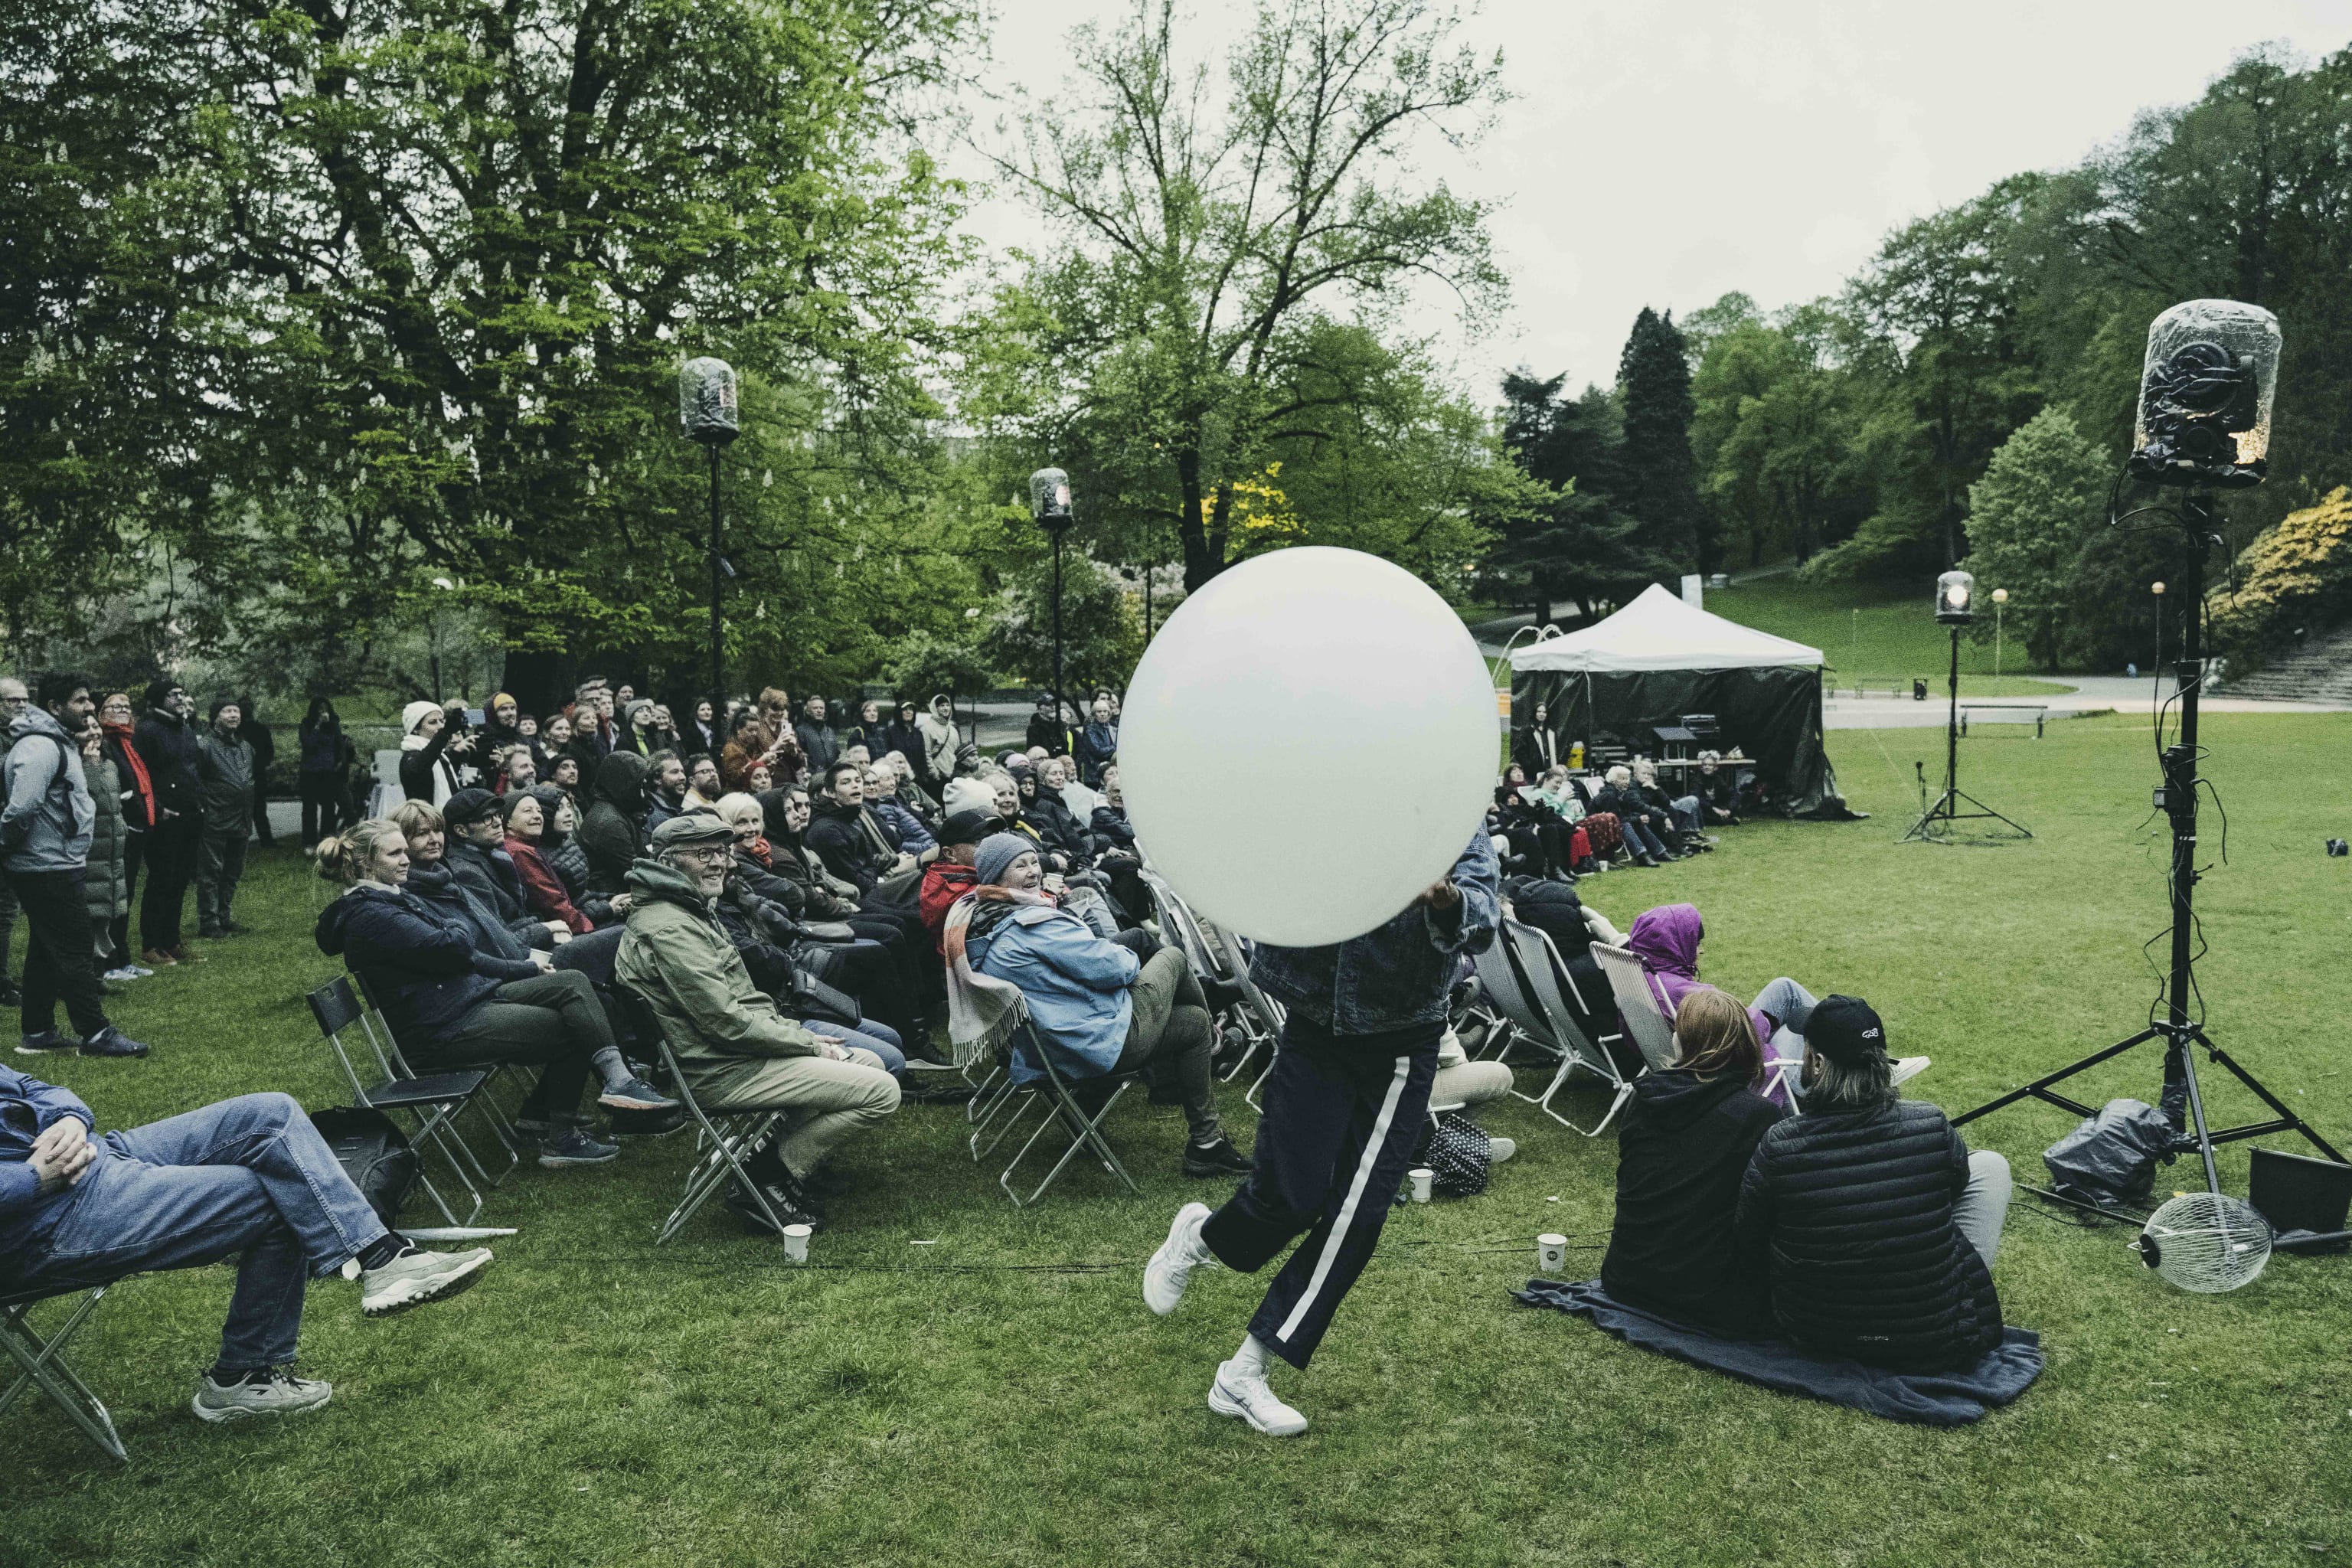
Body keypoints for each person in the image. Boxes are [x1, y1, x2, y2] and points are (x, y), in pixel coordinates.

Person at [1142, 830, 1499, 1437]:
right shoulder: (1322, 789)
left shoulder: (1448, 808)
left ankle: (1245, 1372)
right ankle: (1200, 1237)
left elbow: (1483, 917)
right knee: (1289, 1198)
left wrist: (1446, 902)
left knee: (1357, 1217)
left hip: (1406, 1036)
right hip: (1317, 1023)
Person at [0, 1063, 495, 1421]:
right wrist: (32, 1179)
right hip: (41, 1222)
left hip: (91, 1156)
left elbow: (29, 1086)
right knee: (279, 1191)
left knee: (271, 1115)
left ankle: (381, 1260)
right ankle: (245, 1376)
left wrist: (68, 1117)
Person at [314, 818, 669, 1165]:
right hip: (440, 1031)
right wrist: (456, 922)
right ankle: (560, 1138)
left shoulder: (390, 899)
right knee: (573, 1025)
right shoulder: (371, 914)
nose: (406, 860)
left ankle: (615, 1082)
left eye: (404, 852)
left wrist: (525, 968)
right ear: (365, 863)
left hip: (463, 1002)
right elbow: (455, 944)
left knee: (572, 981)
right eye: (394, 854)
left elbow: (461, 954)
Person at [616, 813, 903, 1230]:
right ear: (668, 863)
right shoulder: (671, 927)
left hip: (731, 1056)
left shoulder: (686, 909)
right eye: (703, 854)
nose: (719, 862)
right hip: (721, 1069)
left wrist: (797, 1035)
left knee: (872, 1064)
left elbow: (741, 1004)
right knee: (882, 1091)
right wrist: (806, 1043)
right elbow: (726, 1022)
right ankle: (764, 1178)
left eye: (721, 851)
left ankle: (777, 1168)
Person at [1736, 995, 2011, 1370]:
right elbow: (1955, 1186)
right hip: (1935, 1333)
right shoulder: (1929, 1123)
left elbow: (1749, 1238)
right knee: (1991, 1165)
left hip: (1816, 1331)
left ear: (1816, 1063)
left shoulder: (1781, 1143)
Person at [955, 835, 1246, 1177]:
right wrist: (1114, 955)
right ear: (995, 876)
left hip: (1054, 1046)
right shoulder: (1029, 926)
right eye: (1019, 866)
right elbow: (1113, 969)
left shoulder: (980, 919)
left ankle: (1207, 1143)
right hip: (1092, 1044)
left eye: (1034, 861)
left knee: (1192, 1021)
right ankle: (1214, 1044)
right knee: (1172, 957)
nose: (1033, 871)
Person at [1600, 987, 1784, 1334]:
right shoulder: (1756, 1116)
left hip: (1626, 1276)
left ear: (1683, 1043)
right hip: (1706, 1299)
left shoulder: (1644, 1098)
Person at [4, 674, 149, 1057]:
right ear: (54, 707)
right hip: (45, 866)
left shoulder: (58, 742)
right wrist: (7, 846)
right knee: (75, 947)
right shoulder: (40, 747)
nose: (89, 708)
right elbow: (20, 809)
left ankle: (38, 1032)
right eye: (80, 701)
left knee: (45, 946)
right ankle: (96, 1032)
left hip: (54, 862)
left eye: (89, 700)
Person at [1623, 903, 1819, 1108]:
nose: (1700, 951)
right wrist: (1765, 1021)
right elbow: (1750, 1028)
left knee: (1784, 988)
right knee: (1805, 1016)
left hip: (1716, 1058)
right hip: (1756, 1075)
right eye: (1695, 943)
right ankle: (1844, 1065)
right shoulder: (1683, 994)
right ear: (1673, 945)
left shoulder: (1639, 978)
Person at [133, 679, 204, 966]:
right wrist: (159, 809)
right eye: (173, 694)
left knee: (180, 879)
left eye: (182, 693)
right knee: (161, 878)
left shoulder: (186, 729)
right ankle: (151, 944)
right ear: (158, 699)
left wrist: (200, 802)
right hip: (164, 817)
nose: (180, 698)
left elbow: (192, 769)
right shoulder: (147, 731)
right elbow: (142, 775)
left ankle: (172, 941)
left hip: (190, 814)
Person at [96, 694, 156, 980]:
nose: (122, 710)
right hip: (118, 830)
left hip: (134, 830)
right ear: (100, 713)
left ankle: (123, 959)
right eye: (114, 706)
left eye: (126, 707)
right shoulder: (104, 744)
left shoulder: (127, 743)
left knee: (125, 897)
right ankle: (109, 964)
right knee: (110, 900)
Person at [75, 716, 136, 984]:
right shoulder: (73, 765)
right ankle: (86, 976)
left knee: (105, 915)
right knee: (88, 916)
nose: (94, 733)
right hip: (89, 852)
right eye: (86, 728)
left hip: (111, 854)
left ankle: (98, 973)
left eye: (96, 726)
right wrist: (88, 767)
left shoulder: (110, 765)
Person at [805, 761, 918, 897]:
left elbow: (869, 864)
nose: (855, 785)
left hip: (874, 883)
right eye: (846, 782)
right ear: (831, 792)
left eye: (858, 780)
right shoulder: (828, 830)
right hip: (865, 895)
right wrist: (878, 878)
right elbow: (852, 878)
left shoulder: (850, 819)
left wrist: (873, 873)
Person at [194, 698, 256, 939]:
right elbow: (197, 781)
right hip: (215, 819)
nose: (233, 715)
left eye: (236, 711)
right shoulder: (204, 746)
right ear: (215, 716)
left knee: (232, 872)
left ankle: (224, 917)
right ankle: (209, 922)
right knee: (211, 873)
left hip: (241, 819)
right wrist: (206, 809)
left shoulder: (245, 747)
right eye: (227, 711)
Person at [916, 809, 996, 953]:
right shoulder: (946, 890)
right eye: (979, 842)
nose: (990, 847)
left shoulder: (973, 876)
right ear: (950, 854)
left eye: (991, 839)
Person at [580, 750, 652, 896]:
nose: (644, 786)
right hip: (616, 898)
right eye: (639, 782)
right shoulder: (610, 823)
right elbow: (636, 874)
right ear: (624, 783)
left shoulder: (616, 810)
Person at [1593, 765, 1677, 866]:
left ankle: (1659, 852)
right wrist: (1638, 819)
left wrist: (1638, 819)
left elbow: (1626, 814)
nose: (1627, 782)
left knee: (1638, 822)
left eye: (1628, 778)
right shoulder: (1609, 795)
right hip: (1599, 827)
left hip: (1613, 823)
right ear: (1613, 781)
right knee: (1627, 825)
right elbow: (1617, 818)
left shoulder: (1621, 792)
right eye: (1623, 779)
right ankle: (1642, 855)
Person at [296, 697, 349, 850]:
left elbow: (340, 746)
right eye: (320, 710)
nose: (323, 712)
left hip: (328, 771)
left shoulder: (334, 725)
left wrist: (340, 764)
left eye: (325, 709)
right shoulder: (306, 725)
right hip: (310, 771)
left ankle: (327, 838)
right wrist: (318, 726)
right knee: (309, 808)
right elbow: (308, 745)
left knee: (328, 806)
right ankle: (309, 841)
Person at [397, 700, 469, 808]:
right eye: (432, 722)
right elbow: (419, 768)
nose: (440, 726)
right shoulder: (411, 756)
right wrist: (445, 733)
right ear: (416, 729)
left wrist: (457, 755)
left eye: (442, 721)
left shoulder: (442, 756)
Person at [239, 696, 276, 848]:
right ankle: (265, 840)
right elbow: (269, 751)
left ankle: (250, 840)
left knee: (254, 809)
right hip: (255, 772)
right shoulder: (259, 729)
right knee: (258, 809)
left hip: (248, 772)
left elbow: (269, 751)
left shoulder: (238, 730)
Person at [916, 694, 965, 792]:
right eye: (942, 706)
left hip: (953, 777)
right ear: (935, 708)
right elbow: (926, 754)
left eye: (948, 705)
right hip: (937, 779)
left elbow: (958, 752)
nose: (946, 708)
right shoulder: (926, 729)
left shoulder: (953, 729)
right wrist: (935, 774)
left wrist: (958, 772)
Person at [1074, 698, 1119, 788]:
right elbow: (1099, 751)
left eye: (1105, 711)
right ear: (1094, 714)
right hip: (1094, 775)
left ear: (1109, 713)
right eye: (1099, 712)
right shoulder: (1090, 730)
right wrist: (1115, 747)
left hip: (1111, 773)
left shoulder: (1113, 729)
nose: (1102, 714)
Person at [795, 696, 841, 774]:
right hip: (812, 776)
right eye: (815, 708)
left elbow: (836, 754)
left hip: (831, 774)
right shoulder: (800, 731)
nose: (819, 711)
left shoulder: (829, 731)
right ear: (808, 711)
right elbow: (798, 757)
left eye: (821, 708)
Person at [1025, 692, 1071, 756]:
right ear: (1040, 710)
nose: (1053, 707)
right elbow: (1034, 754)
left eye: (1054, 704)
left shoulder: (1062, 726)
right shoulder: (1034, 729)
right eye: (1048, 705)